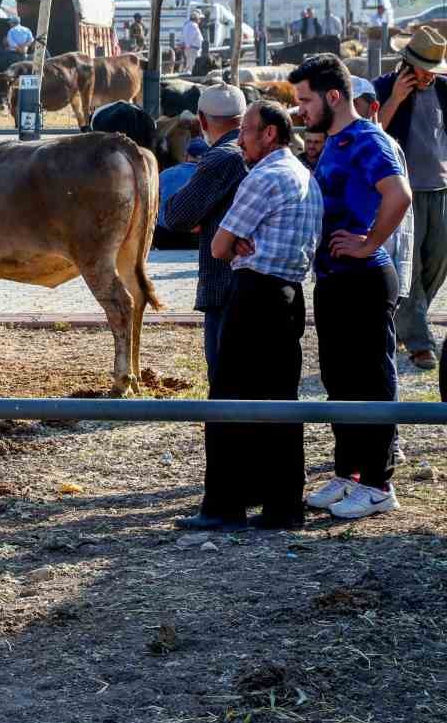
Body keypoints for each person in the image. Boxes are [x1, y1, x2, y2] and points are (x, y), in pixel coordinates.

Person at [177, 100, 323, 531]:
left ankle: (225, 504)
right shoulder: (303, 176)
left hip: (254, 294)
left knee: (228, 400)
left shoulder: (263, 178)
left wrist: (234, 239)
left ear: (270, 134)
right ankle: (282, 506)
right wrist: (238, 237)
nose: (240, 140)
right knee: (281, 401)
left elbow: (220, 247)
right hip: (288, 294)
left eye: (247, 131)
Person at [290, 53, 411, 520]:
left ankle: (380, 484)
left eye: (305, 100)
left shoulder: (366, 140)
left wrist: (368, 242)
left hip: (364, 277)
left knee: (370, 380)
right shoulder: (336, 141)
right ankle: (349, 473)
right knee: (340, 379)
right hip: (335, 280)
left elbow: (398, 194)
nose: (300, 110)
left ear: (333, 96)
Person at [161, 84, 250, 384]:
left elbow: (176, 216)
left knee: (225, 380)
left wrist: (203, 213)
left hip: (225, 284)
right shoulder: (264, 152)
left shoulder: (220, 158)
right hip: (263, 282)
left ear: (201, 118)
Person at [373, 26, 447, 369]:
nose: (429, 75)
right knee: (412, 266)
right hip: (403, 190)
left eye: (433, 68)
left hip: (441, 187)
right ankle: (420, 341)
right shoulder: (385, 87)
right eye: (423, 67)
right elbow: (373, 133)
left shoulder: (444, 90)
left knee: (437, 260)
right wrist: (395, 101)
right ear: (408, 63)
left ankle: (407, 320)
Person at [353, 74, 414, 304]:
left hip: (376, 260)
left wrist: (369, 245)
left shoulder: (382, 146)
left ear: (373, 107)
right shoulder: (340, 142)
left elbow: (400, 206)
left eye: (355, 104)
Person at [179, 11, 205, 76]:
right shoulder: (193, 25)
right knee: (192, 66)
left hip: (192, 49)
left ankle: (188, 76)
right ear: (196, 18)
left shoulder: (188, 24)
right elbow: (189, 37)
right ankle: (189, 78)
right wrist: (188, 46)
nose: (200, 20)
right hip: (192, 49)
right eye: (199, 18)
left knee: (189, 65)